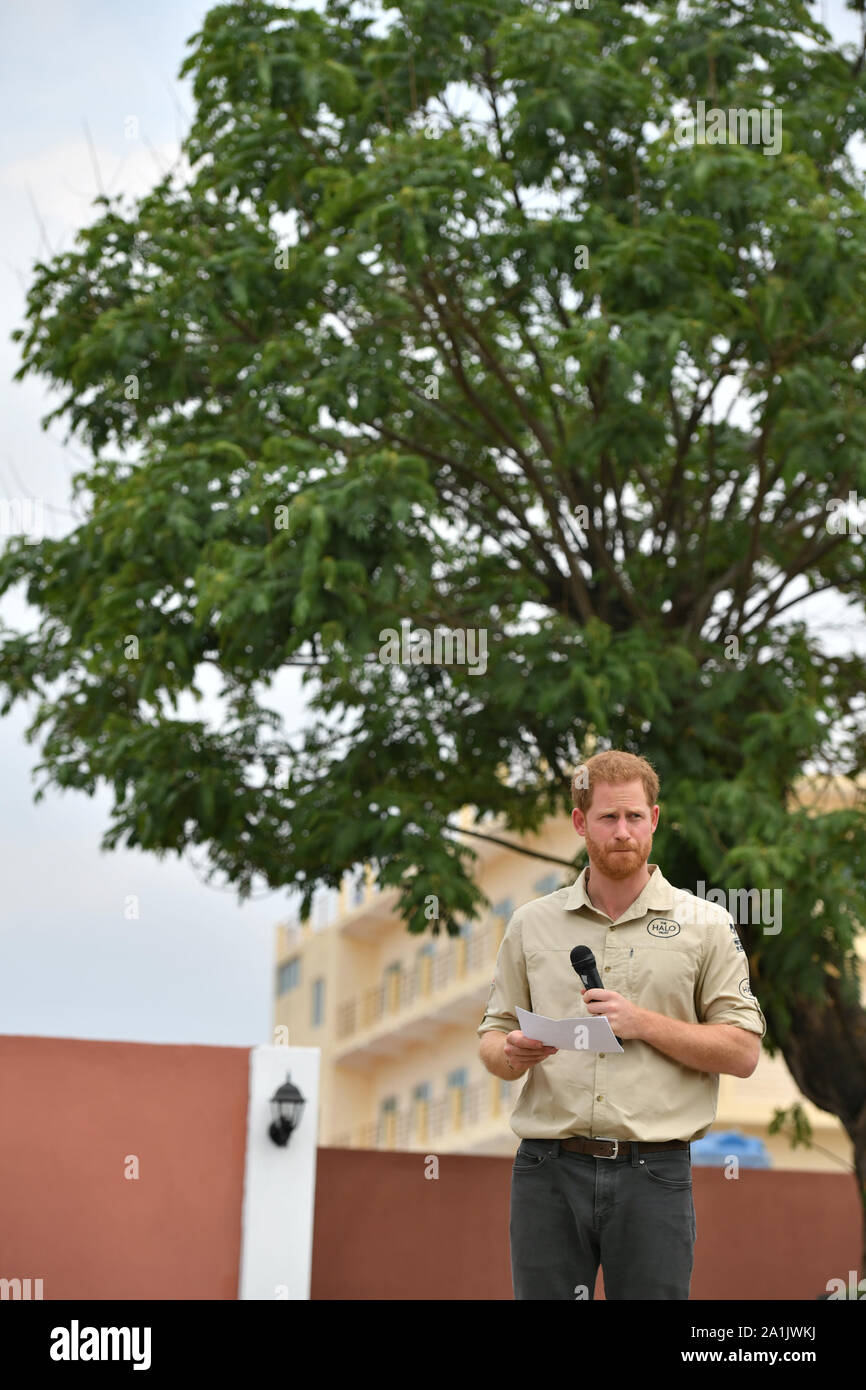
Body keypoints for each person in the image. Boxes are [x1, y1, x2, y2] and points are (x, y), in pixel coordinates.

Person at [477, 749, 766, 1300]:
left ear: (654, 820)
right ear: (581, 822)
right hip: (547, 1170)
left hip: (654, 1173)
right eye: (608, 817)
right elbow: (492, 1036)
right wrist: (512, 1052)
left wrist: (642, 1022)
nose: (623, 831)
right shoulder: (530, 924)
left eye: (635, 816)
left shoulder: (706, 924)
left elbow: (743, 1052)